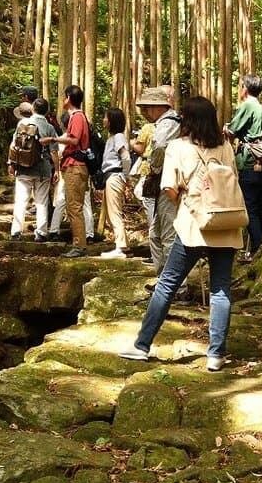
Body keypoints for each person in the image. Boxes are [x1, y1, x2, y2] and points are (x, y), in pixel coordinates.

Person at [121, 96, 242, 371]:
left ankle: (142, 345)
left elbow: (169, 189)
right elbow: (232, 178)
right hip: (225, 223)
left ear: (186, 120)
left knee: (167, 284)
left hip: (192, 226)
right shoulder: (225, 147)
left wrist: (186, 198)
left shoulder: (177, 147)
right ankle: (216, 354)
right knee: (221, 290)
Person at [225, 74, 262, 256]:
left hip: (249, 162)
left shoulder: (247, 106)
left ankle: (257, 247)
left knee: (250, 207)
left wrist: (226, 129)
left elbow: (232, 131)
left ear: (245, 88)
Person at [136, 86, 181, 274]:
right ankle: (164, 280)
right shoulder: (165, 123)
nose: (144, 113)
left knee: (168, 234)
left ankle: (177, 287)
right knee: (155, 234)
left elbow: (161, 147)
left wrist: (154, 167)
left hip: (169, 183)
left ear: (158, 106)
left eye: (146, 108)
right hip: (165, 183)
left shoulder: (169, 123)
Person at [8, 98, 58, 241]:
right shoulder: (49, 127)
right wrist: (57, 170)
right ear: (47, 111)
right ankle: (41, 233)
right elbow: (54, 151)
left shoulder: (22, 124)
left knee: (20, 200)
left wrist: (11, 164)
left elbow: (14, 146)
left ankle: (16, 232)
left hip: (23, 168)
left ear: (33, 109)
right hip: (43, 169)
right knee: (41, 201)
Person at [53, 84, 91, 257]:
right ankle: (79, 243)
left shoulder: (76, 117)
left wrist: (53, 139)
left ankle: (79, 245)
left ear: (68, 98)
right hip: (74, 165)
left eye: (64, 97)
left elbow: (74, 140)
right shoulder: (78, 116)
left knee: (74, 206)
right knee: (73, 205)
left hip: (75, 166)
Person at [100, 107, 132, 258]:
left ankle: (120, 247)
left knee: (114, 212)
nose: (103, 120)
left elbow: (125, 157)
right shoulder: (111, 138)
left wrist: (125, 176)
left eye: (106, 117)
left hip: (115, 176)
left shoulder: (118, 137)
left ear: (112, 120)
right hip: (111, 177)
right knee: (112, 211)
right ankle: (122, 245)